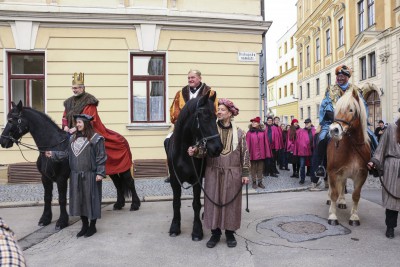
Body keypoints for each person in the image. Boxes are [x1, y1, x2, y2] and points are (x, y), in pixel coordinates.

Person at [62, 72, 140, 210]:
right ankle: (117, 199)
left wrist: (75, 128)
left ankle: (135, 198)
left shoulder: (89, 102)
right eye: (73, 88)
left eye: (78, 87)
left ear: (83, 88)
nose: (75, 90)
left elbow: (90, 120)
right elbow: (64, 117)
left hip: (90, 132)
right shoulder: (68, 102)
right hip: (73, 133)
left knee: (124, 175)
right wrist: (66, 126)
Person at [188, 98, 249, 248]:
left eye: (222, 110)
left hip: (233, 173)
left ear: (229, 113)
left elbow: (245, 154)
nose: (219, 112)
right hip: (213, 172)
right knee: (212, 203)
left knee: (231, 204)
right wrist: (195, 151)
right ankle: (215, 234)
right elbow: (203, 150)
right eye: (218, 110)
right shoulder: (210, 130)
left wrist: (245, 173)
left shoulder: (240, 133)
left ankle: (229, 233)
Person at [46, 114, 106, 238]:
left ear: (86, 123)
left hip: (90, 175)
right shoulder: (72, 138)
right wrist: (53, 154)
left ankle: (92, 226)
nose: (77, 125)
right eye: (76, 123)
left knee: (91, 200)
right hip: (75, 175)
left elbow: (101, 157)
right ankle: (84, 225)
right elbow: (66, 154)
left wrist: (100, 173)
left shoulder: (96, 138)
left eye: (79, 122)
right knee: (79, 201)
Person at [314, 64, 378, 178]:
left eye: (343, 76)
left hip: (351, 123)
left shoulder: (355, 90)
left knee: (372, 136)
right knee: (321, 138)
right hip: (332, 121)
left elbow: (363, 106)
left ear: (348, 77)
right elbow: (324, 106)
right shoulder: (330, 90)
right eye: (338, 76)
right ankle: (321, 166)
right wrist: (322, 122)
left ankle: (375, 163)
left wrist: (362, 121)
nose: (340, 78)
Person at [164, 69, 218, 182]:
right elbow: (174, 112)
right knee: (167, 140)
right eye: (189, 78)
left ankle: (205, 170)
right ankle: (172, 169)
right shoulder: (180, 93)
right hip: (184, 129)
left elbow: (214, 111)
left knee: (209, 144)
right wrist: (182, 122)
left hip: (201, 128)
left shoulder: (210, 93)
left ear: (199, 78)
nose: (190, 80)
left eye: (193, 77)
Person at [368, 118, 400, 239]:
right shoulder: (391, 128)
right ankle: (390, 227)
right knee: (392, 201)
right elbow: (381, 147)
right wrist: (374, 162)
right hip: (392, 168)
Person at [246, 116, 271, 189]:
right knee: (253, 168)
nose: (253, 123)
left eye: (255, 122)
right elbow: (247, 144)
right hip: (252, 154)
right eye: (252, 122)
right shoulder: (249, 133)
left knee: (260, 168)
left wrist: (267, 153)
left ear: (258, 123)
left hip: (261, 154)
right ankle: (254, 182)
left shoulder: (263, 132)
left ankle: (260, 182)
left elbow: (266, 143)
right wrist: (248, 154)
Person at [295, 118, 315, 185]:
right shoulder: (301, 131)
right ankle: (302, 179)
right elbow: (298, 141)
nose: (306, 124)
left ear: (310, 123)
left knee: (312, 165)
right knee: (302, 165)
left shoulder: (314, 130)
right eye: (305, 123)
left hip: (312, 150)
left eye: (308, 123)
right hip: (303, 151)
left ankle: (312, 179)